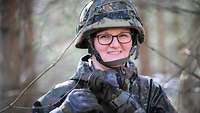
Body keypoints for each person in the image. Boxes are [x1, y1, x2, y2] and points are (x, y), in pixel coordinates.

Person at [32, 0, 177, 113]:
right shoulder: (60, 94)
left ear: (133, 40)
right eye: (104, 36)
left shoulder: (151, 90)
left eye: (123, 35)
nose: (115, 44)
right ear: (90, 42)